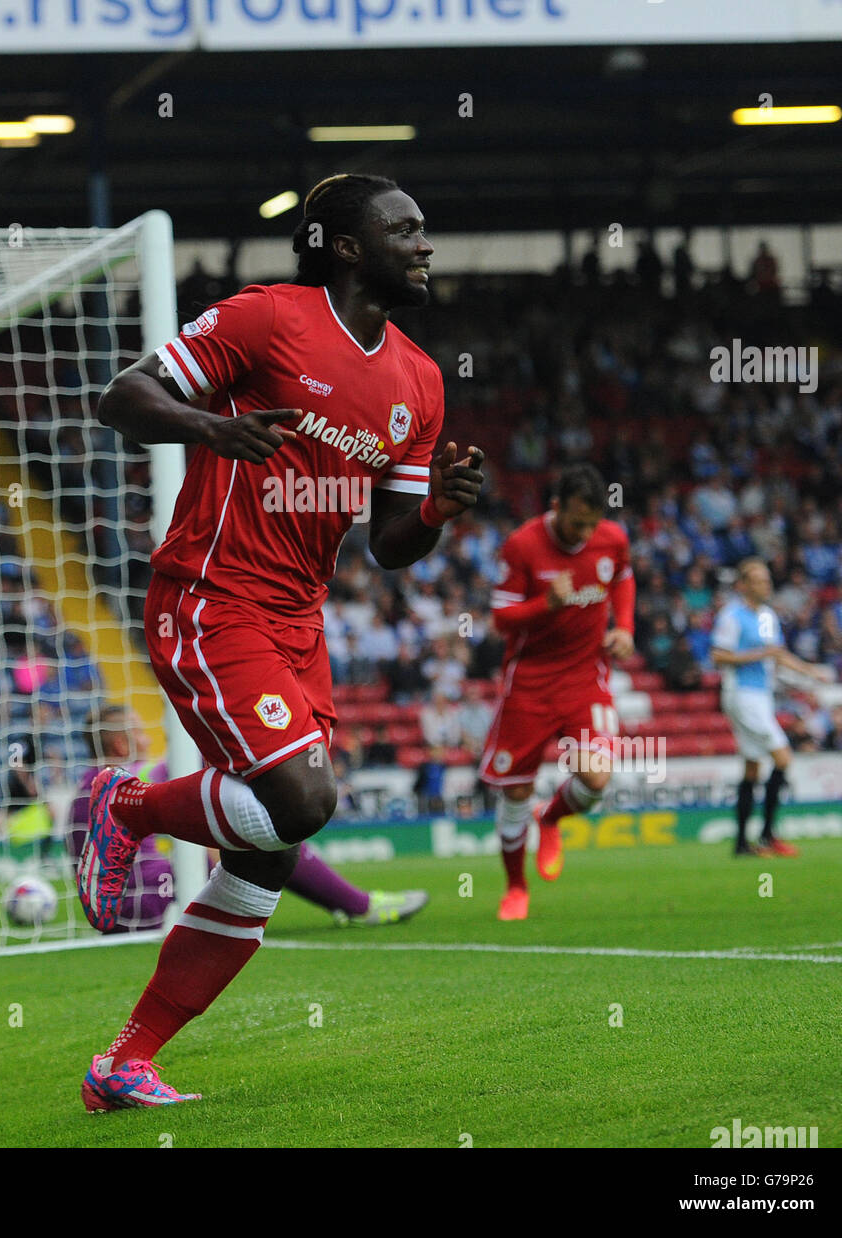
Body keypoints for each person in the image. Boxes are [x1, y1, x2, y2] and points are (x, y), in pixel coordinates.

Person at [77, 172, 484, 1108]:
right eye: (405, 229)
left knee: (265, 853)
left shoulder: (419, 378)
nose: (425, 245)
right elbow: (123, 398)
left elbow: (388, 546)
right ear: (346, 245)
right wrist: (210, 429)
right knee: (301, 801)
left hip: (299, 621)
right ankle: (127, 808)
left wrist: (439, 514)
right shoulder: (268, 319)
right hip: (211, 594)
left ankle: (123, 1064)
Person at [66, 704, 430, 931]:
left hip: (109, 910)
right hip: (154, 904)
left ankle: (353, 904)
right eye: (139, 732)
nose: (146, 738)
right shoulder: (137, 776)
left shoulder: (84, 790)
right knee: (265, 831)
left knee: (239, 828)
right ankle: (359, 905)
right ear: (119, 744)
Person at [479, 464, 635, 921]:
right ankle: (515, 888)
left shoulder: (612, 539)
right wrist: (546, 604)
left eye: (591, 523)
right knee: (516, 791)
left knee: (597, 777)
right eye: (575, 522)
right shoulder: (523, 545)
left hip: (586, 678)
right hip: (528, 684)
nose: (584, 533)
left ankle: (550, 819)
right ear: (555, 507)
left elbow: (623, 578)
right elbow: (500, 618)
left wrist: (624, 627)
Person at [710, 557, 832, 857]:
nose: (767, 584)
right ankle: (767, 836)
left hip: (761, 696)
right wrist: (757, 654)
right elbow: (718, 657)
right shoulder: (732, 616)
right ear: (743, 585)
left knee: (752, 767)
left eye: (767, 579)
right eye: (759, 580)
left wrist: (808, 669)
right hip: (742, 694)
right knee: (783, 757)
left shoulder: (766, 615)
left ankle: (741, 844)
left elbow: (776, 653)